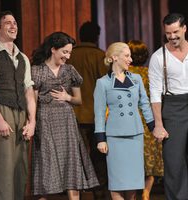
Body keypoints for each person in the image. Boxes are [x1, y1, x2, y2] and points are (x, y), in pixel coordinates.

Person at [31, 31, 99, 200]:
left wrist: (67, 97)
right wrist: (31, 121)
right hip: (45, 120)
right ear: (53, 49)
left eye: (69, 52)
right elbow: (32, 101)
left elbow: (78, 99)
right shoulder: (37, 70)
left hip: (67, 120)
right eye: (65, 52)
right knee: (46, 164)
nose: (68, 56)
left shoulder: (69, 70)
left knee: (71, 163)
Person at [94, 42, 155, 200]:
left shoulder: (136, 79)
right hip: (115, 137)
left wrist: (153, 126)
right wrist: (101, 139)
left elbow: (144, 104)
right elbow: (99, 113)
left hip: (135, 135)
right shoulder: (103, 83)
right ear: (115, 57)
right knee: (118, 182)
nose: (130, 59)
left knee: (132, 183)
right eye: (127, 56)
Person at [0, 11, 36, 200]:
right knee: (5, 167)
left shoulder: (23, 57)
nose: (13, 25)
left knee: (20, 167)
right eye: (7, 23)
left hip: (21, 112)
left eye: (15, 22)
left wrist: (32, 121)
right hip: (2, 110)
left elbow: (29, 91)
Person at [67, 21, 110, 200]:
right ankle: (99, 193)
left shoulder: (70, 56)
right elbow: (108, 86)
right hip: (95, 116)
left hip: (73, 114)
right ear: (97, 36)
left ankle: (75, 193)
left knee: (75, 157)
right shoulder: (100, 57)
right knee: (99, 157)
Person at [148, 13, 188, 199]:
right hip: (173, 108)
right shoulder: (158, 57)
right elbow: (155, 93)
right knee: (173, 162)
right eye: (168, 33)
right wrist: (158, 124)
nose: (172, 36)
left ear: (185, 28)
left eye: (175, 32)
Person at [128, 40, 164, 200]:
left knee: (132, 158)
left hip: (130, 120)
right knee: (149, 156)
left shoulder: (124, 75)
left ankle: (133, 193)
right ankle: (147, 192)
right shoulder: (149, 74)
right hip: (149, 120)